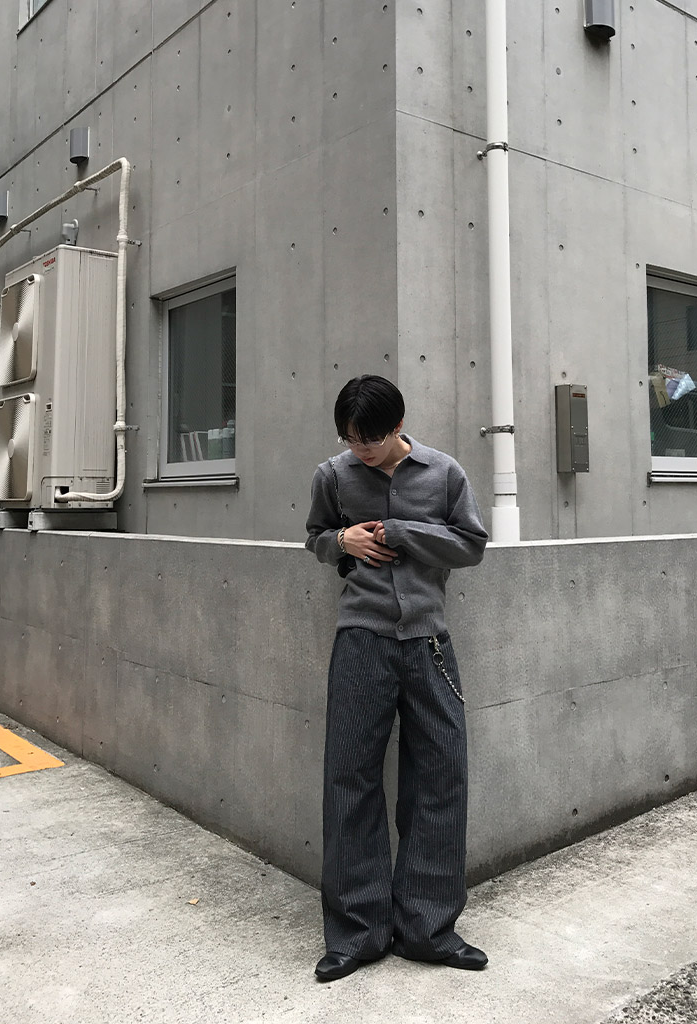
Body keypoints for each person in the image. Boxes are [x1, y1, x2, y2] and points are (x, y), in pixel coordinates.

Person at [305, 374, 489, 982]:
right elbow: (315, 539)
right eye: (351, 439)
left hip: (428, 641)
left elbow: (471, 545)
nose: (361, 450)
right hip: (362, 637)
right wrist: (343, 540)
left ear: (399, 425)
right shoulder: (333, 476)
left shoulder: (443, 472)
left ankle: (428, 929)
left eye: (372, 439)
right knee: (350, 777)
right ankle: (356, 933)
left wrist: (404, 531)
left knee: (440, 774)